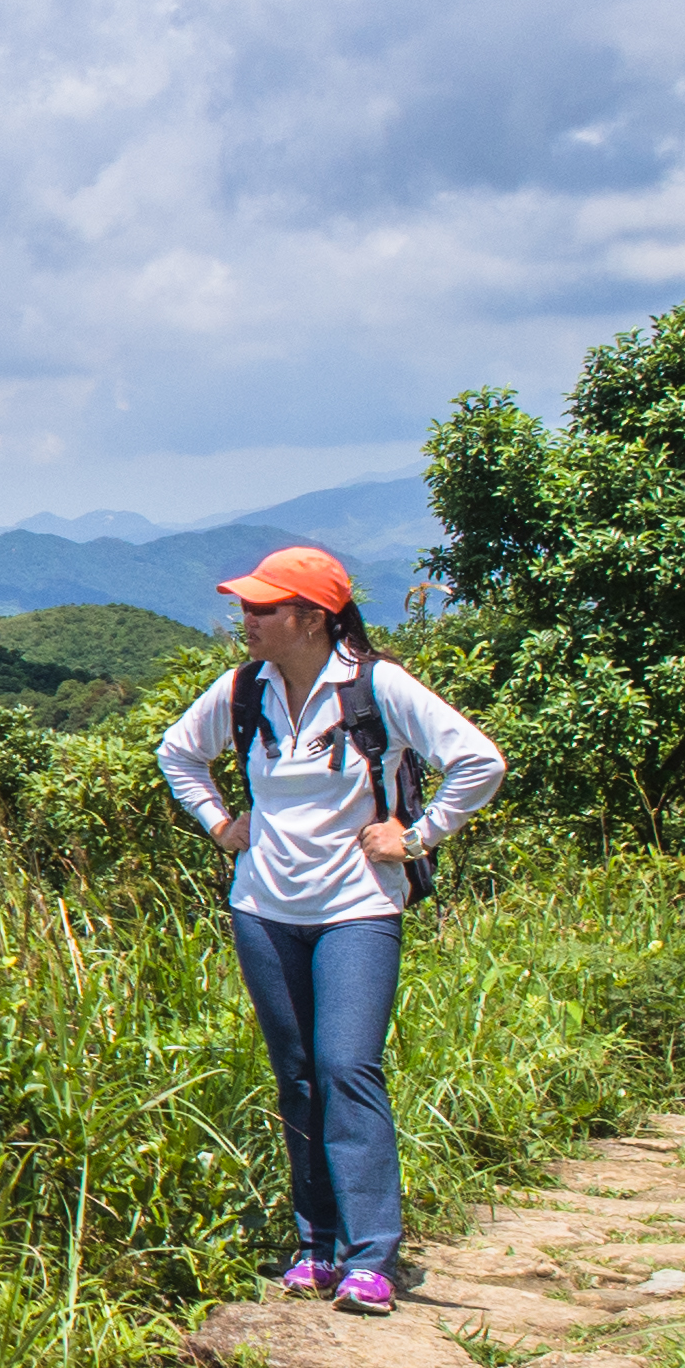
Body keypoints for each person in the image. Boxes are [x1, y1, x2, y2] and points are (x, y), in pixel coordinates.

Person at [154, 545, 504, 1316]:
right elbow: (178, 754)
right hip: (265, 909)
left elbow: (479, 761)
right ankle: (316, 1248)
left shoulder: (377, 687)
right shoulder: (245, 690)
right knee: (299, 1075)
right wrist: (219, 823)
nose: (245, 621)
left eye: (263, 609)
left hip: (356, 909)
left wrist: (415, 836)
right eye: (245, 607)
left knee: (349, 1068)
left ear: (312, 618)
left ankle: (371, 1255)